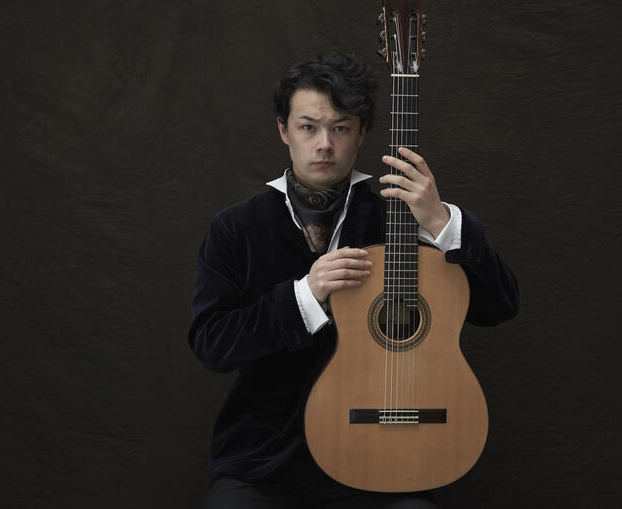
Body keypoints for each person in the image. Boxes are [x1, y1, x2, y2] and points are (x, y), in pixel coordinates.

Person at [189, 52, 519, 508]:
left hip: (384, 458)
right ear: (284, 130)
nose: (324, 144)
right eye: (309, 127)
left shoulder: (402, 219)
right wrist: (306, 294)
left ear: (362, 133)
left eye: (340, 127)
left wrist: (443, 221)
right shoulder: (236, 228)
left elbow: (499, 305)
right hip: (266, 463)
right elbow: (212, 343)